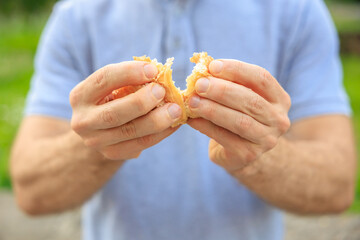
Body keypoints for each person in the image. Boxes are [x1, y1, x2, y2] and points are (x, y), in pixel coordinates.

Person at [10, 0, 356, 239]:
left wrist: (259, 157)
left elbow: (338, 187)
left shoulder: (296, 11)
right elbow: (31, 191)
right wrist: (96, 144)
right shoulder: (75, 17)